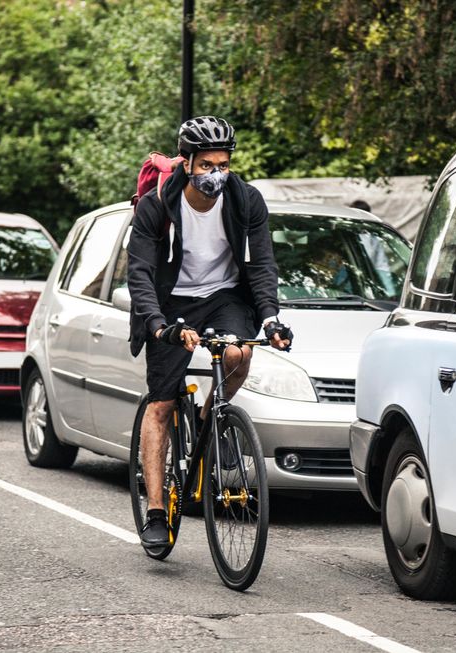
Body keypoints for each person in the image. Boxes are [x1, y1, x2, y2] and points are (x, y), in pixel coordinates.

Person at [127, 116, 292, 549]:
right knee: (161, 404)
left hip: (223, 295)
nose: (216, 173)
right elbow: (140, 272)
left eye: (223, 163)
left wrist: (271, 316)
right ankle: (157, 511)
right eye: (207, 165)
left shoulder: (246, 201)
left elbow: (261, 265)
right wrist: (159, 325)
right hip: (170, 299)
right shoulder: (157, 206)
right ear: (187, 163)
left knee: (239, 354)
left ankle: (210, 419)